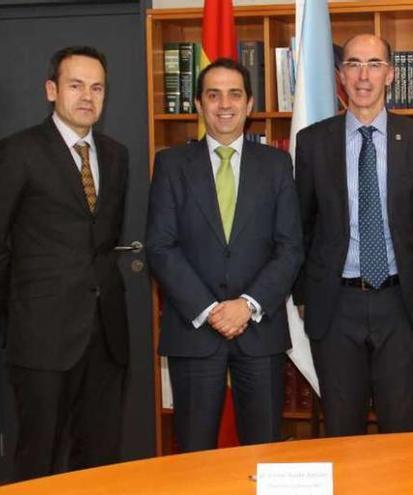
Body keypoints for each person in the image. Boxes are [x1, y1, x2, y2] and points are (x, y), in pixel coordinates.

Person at [146, 58, 303, 452]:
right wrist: (210, 309)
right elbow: (161, 246)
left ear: (249, 104)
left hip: (259, 331)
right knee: (194, 454)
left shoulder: (277, 164)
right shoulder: (171, 164)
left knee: (263, 451)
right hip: (195, 329)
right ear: (198, 104)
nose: (224, 105)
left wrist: (247, 305)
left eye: (234, 94)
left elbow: (290, 247)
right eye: (213, 95)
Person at [293, 34, 413, 436]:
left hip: (401, 304)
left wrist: (403, 266)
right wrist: (306, 294)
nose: (363, 75)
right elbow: (301, 224)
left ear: (390, 74)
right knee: (342, 430)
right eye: (354, 64)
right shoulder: (312, 142)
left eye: (374, 64)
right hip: (335, 305)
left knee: (401, 428)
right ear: (341, 75)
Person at [0, 46, 129, 480]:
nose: (87, 96)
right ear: (51, 90)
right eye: (75, 85)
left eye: (97, 87)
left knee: (99, 460)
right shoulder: (17, 152)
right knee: (39, 459)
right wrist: (15, 316)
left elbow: (104, 242)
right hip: (41, 338)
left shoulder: (115, 155)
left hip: (106, 337)